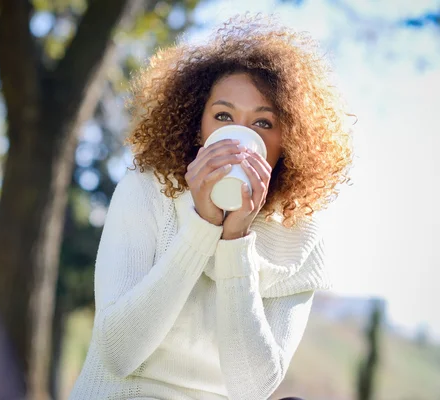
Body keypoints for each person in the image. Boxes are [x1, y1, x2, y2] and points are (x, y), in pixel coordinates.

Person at [69, 13, 352, 400]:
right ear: (197, 126)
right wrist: (203, 226)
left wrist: (235, 240)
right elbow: (118, 355)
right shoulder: (147, 191)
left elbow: (252, 388)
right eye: (223, 116)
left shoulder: (301, 238)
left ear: (289, 140)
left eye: (264, 123)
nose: (240, 136)